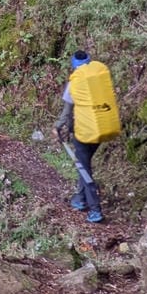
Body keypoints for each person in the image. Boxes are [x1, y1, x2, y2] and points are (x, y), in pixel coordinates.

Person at [56, 50, 104, 224]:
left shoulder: (75, 82)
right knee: (84, 165)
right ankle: (80, 199)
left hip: (84, 132)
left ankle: (95, 209)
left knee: (84, 170)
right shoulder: (99, 79)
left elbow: (67, 112)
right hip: (101, 130)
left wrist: (59, 127)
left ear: (74, 65)